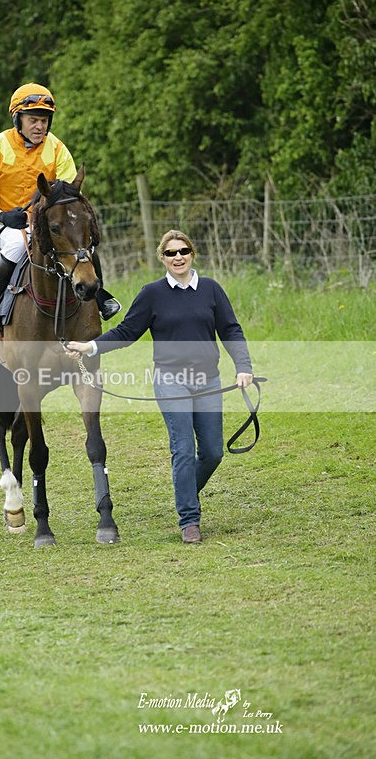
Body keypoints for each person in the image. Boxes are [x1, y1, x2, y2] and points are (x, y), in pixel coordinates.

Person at [66, 230, 253, 544]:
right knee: (183, 449)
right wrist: (91, 347)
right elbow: (127, 331)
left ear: (192, 254)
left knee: (212, 452)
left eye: (183, 251)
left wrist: (244, 367)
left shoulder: (211, 289)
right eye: (170, 253)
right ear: (162, 258)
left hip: (208, 380)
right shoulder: (152, 293)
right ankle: (189, 520)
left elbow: (231, 329)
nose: (178, 257)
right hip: (170, 381)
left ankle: (185, 491)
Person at [0, 81, 121, 329]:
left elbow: (71, 191)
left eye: (44, 120)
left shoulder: (58, 148)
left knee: (85, 243)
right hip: (14, 225)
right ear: (18, 119)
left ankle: (101, 298)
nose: (40, 126)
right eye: (33, 120)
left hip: (51, 221)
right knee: (18, 245)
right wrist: (3, 216)